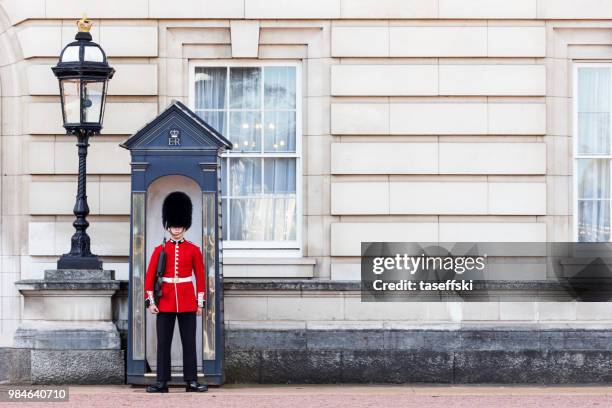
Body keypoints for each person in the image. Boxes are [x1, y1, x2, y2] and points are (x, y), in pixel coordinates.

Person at [144, 191, 208, 393]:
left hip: (188, 301)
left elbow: (200, 277)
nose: (176, 229)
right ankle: (162, 382)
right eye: (173, 225)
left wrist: (200, 303)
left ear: (185, 225)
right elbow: (149, 277)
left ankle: (191, 381)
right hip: (165, 301)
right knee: (164, 343)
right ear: (168, 225)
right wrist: (151, 301)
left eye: (179, 225)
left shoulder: (193, 249)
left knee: (189, 342)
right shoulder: (159, 250)